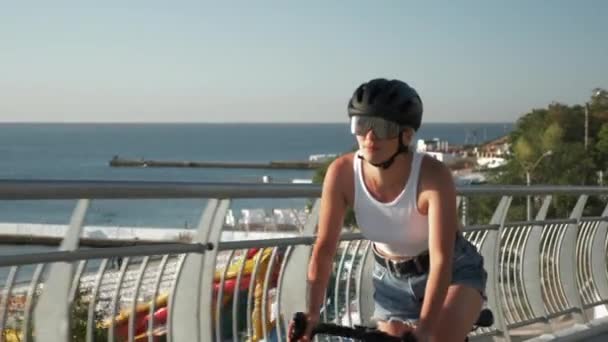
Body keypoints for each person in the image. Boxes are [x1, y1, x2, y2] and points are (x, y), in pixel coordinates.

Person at [288, 78, 488, 342]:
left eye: (382, 128)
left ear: (406, 135)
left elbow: (441, 260)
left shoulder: (433, 176)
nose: (370, 137)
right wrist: (313, 313)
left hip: (453, 271)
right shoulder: (342, 174)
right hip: (390, 281)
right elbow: (325, 248)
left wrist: (427, 330)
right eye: (362, 125)